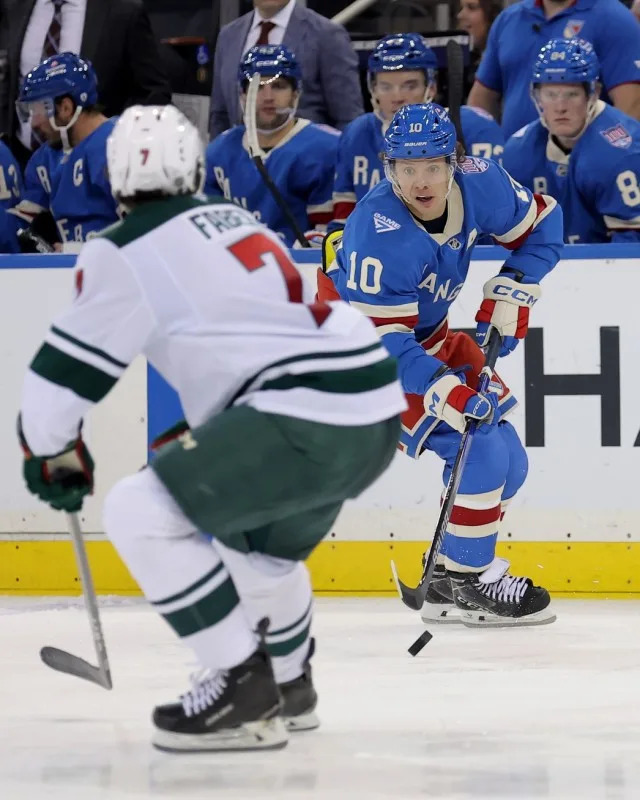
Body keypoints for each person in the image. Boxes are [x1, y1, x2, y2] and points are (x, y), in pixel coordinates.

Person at [17, 104, 404, 752]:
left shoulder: (123, 248)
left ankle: (238, 683)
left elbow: (63, 375)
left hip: (298, 414)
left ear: (115, 180)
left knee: (138, 509)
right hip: (371, 409)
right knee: (255, 551)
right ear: (196, 168)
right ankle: (288, 682)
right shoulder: (236, 221)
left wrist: (50, 449)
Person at [319, 103, 564, 627]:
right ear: (389, 169)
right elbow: (382, 342)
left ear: (454, 162)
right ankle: (470, 581)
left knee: (509, 463)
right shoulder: (376, 233)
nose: (420, 181)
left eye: (432, 165)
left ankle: (447, 577)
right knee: (477, 448)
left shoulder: (483, 184)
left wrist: (515, 284)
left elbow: (544, 223)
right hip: (360, 356)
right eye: (406, 168)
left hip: (427, 339)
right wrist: (441, 389)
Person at [332, 33, 504, 228]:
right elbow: (343, 221)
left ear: (431, 87)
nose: (397, 97)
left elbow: (496, 211)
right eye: (385, 86)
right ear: (373, 89)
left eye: (409, 85)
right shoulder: (356, 133)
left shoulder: (475, 127)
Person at [1, 0, 171, 167]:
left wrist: (113, 142)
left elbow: (153, 92)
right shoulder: (11, 7)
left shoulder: (123, 11)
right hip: (20, 160)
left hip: (95, 167)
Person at [502, 39, 640, 243]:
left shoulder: (620, 155)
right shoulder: (519, 151)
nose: (560, 107)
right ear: (536, 95)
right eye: (550, 94)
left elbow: (631, 251)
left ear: (594, 93)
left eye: (571, 94)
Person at [205, 45, 339, 247]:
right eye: (257, 87)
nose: (268, 96)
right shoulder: (220, 151)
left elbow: (329, 242)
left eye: (278, 86)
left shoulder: (327, 149)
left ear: (296, 93)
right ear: (242, 95)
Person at [467, 0, 640, 139]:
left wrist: (608, 160)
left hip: (583, 169)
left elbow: (631, 107)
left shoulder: (614, 19)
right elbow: (481, 100)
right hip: (516, 168)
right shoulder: (509, 19)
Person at [10, 52, 119, 251]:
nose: (33, 122)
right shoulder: (44, 159)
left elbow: (149, 230)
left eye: (39, 109)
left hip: (121, 272)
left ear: (66, 108)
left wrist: (77, 250)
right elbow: (17, 226)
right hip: (73, 274)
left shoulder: (120, 145)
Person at [210, 0, 363, 137]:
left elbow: (348, 118)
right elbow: (219, 115)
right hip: (239, 163)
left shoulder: (327, 35)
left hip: (307, 162)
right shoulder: (228, 35)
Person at [456, 0, 502, 91]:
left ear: (492, 15)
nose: (460, 15)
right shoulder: (466, 64)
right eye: (461, 8)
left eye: (471, 7)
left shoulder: (502, 65)